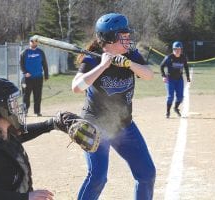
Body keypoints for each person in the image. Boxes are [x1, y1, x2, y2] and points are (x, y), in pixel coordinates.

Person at [72, 13, 156, 200]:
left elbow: (149, 75)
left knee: (147, 174)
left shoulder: (131, 55)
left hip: (123, 126)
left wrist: (129, 63)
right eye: (123, 36)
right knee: (98, 178)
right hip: (95, 127)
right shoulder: (92, 59)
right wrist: (103, 65)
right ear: (109, 39)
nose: (128, 40)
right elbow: (76, 87)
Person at [0, 78, 55, 200]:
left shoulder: (5, 135)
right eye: (12, 102)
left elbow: (21, 135)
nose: (17, 107)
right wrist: (26, 197)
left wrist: (51, 124)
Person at [160, 41, 191, 118]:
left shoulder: (183, 57)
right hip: (170, 79)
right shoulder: (169, 58)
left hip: (179, 79)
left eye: (179, 49)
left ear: (181, 50)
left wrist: (188, 77)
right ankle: (168, 112)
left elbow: (186, 67)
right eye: (176, 49)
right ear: (173, 49)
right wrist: (163, 76)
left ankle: (176, 108)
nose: (177, 51)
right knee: (170, 97)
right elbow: (161, 66)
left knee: (180, 97)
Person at [20, 37, 49, 117]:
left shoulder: (40, 52)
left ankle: (37, 111)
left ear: (37, 43)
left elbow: (44, 64)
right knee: (26, 96)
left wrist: (46, 75)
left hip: (38, 78)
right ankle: (25, 111)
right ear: (29, 42)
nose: (33, 43)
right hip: (27, 79)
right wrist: (25, 72)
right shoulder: (25, 52)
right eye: (32, 41)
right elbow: (21, 64)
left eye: (35, 42)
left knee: (38, 95)